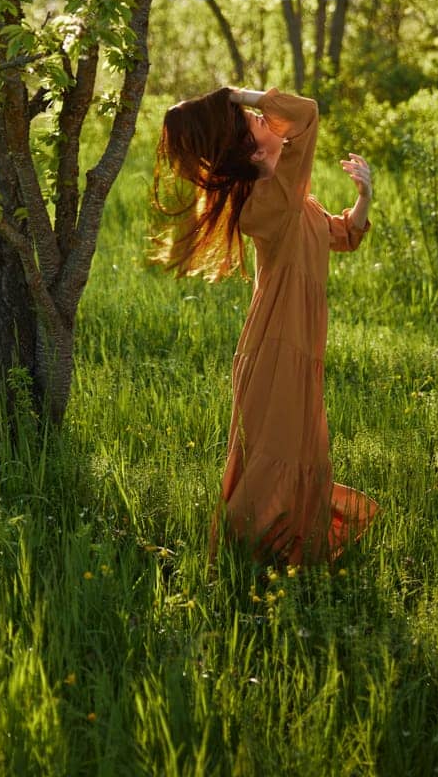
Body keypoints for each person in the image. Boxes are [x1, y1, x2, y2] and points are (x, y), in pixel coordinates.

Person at [147, 82, 381, 573]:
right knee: (277, 450)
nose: (270, 122)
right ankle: (244, 555)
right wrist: (235, 95)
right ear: (250, 150)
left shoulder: (293, 198)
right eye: (259, 122)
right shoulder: (266, 198)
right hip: (278, 343)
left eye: (262, 117)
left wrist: (364, 199)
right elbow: (306, 113)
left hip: (296, 342)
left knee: (300, 446)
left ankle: (281, 551)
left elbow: (339, 236)